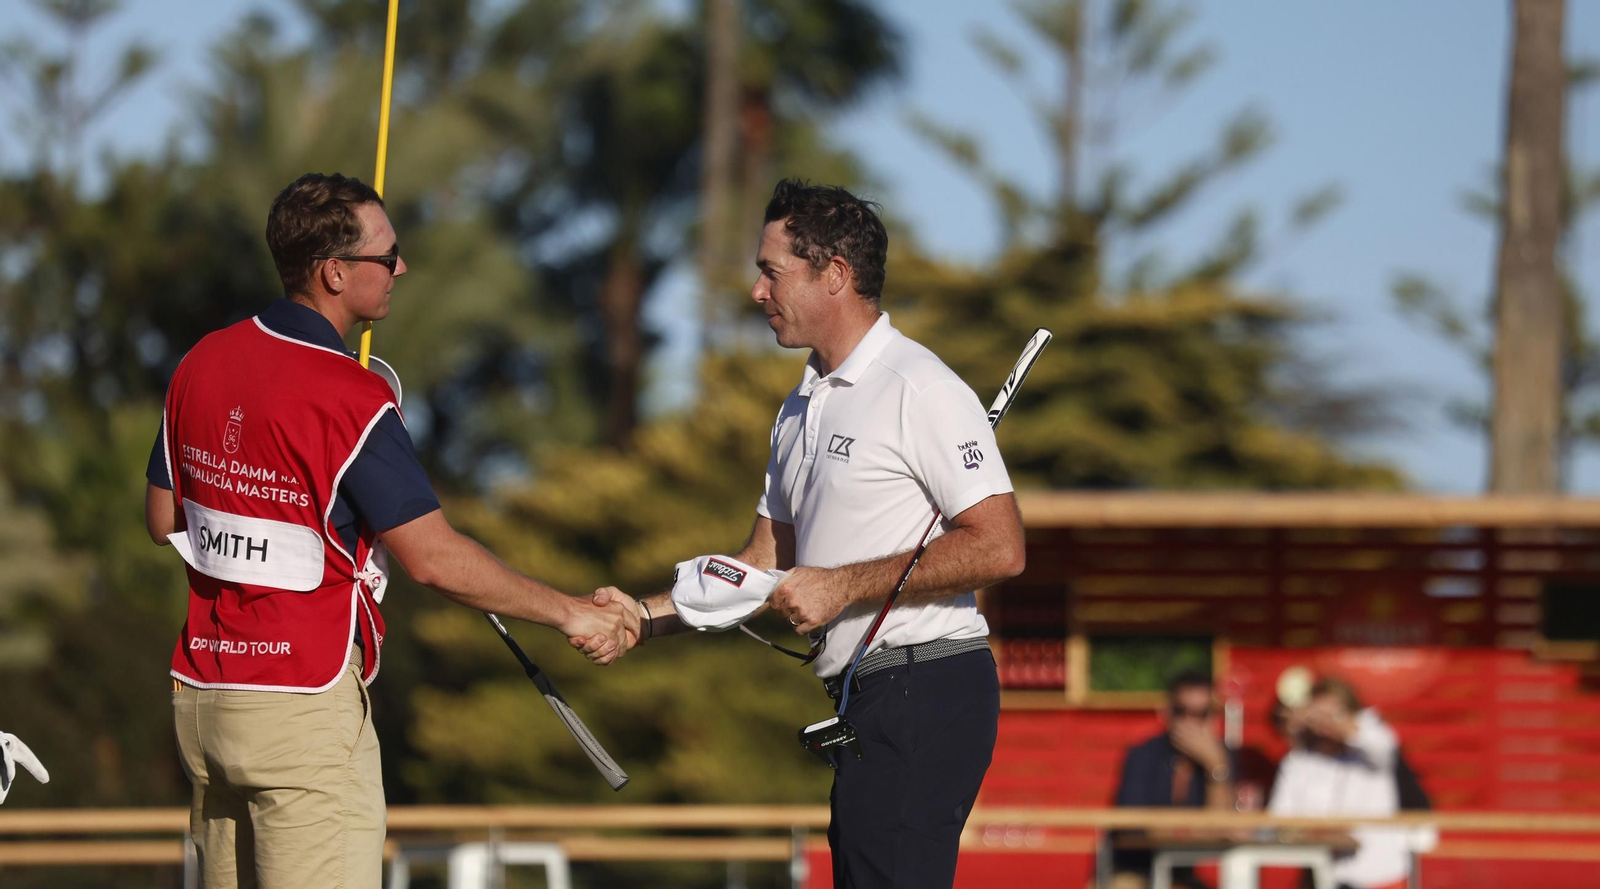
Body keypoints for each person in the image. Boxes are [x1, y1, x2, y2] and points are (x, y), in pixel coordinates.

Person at [144, 172, 636, 889]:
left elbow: (162, 520)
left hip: (203, 703)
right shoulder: (353, 394)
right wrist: (571, 612)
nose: (401, 267)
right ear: (334, 273)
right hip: (302, 709)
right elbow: (433, 560)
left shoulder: (202, 360)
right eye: (387, 255)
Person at [578, 179, 1027, 888]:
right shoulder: (798, 407)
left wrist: (841, 584)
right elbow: (761, 563)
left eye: (772, 271)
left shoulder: (922, 387)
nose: (757, 291)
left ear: (834, 274)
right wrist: (643, 616)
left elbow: (999, 546)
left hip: (928, 686)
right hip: (867, 700)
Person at [1268, 677, 1412, 889]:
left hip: (1378, 877)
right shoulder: (1298, 762)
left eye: (1335, 713)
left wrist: (1339, 723)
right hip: (1324, 876)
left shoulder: (1369, 747)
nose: (1325, 721)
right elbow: (1279, 818)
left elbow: (1384, 745)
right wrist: (1315, 832)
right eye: (1318, 714)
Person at [1108, 670, 1236, 888]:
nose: (1192, 722)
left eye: (1203, 713)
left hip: (1192, 875)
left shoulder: (1222, 757)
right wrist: (1196, 831)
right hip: (1139, 870)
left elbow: (1225, 825)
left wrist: (1215, 767)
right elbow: (1131, 825)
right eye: (1182, 711)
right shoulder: (1143, 755)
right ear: (1167, 712)